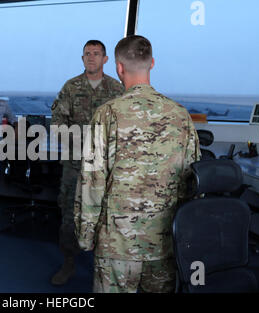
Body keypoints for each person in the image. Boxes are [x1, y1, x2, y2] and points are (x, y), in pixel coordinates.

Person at [74, 35, 201, 293]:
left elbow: (92, 182)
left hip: (117, 244)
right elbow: (192, 181)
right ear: (152, 63)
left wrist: (85, 236)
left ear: (118, 67)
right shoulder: (181, 116)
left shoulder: (107, 114)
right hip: (164, 242)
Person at [50, 40, 125, 285]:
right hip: (76, 166)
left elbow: (125, 128)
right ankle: (69, 263)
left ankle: (101, 267)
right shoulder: (71, 87)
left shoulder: (117, 89)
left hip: (106, 168)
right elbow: (57, 124)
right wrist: (82, 141)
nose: (91, 57)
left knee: (105, 217)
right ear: (82, 58)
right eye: (87, 54)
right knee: (70, 215)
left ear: (105, 59)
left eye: (96, 54)